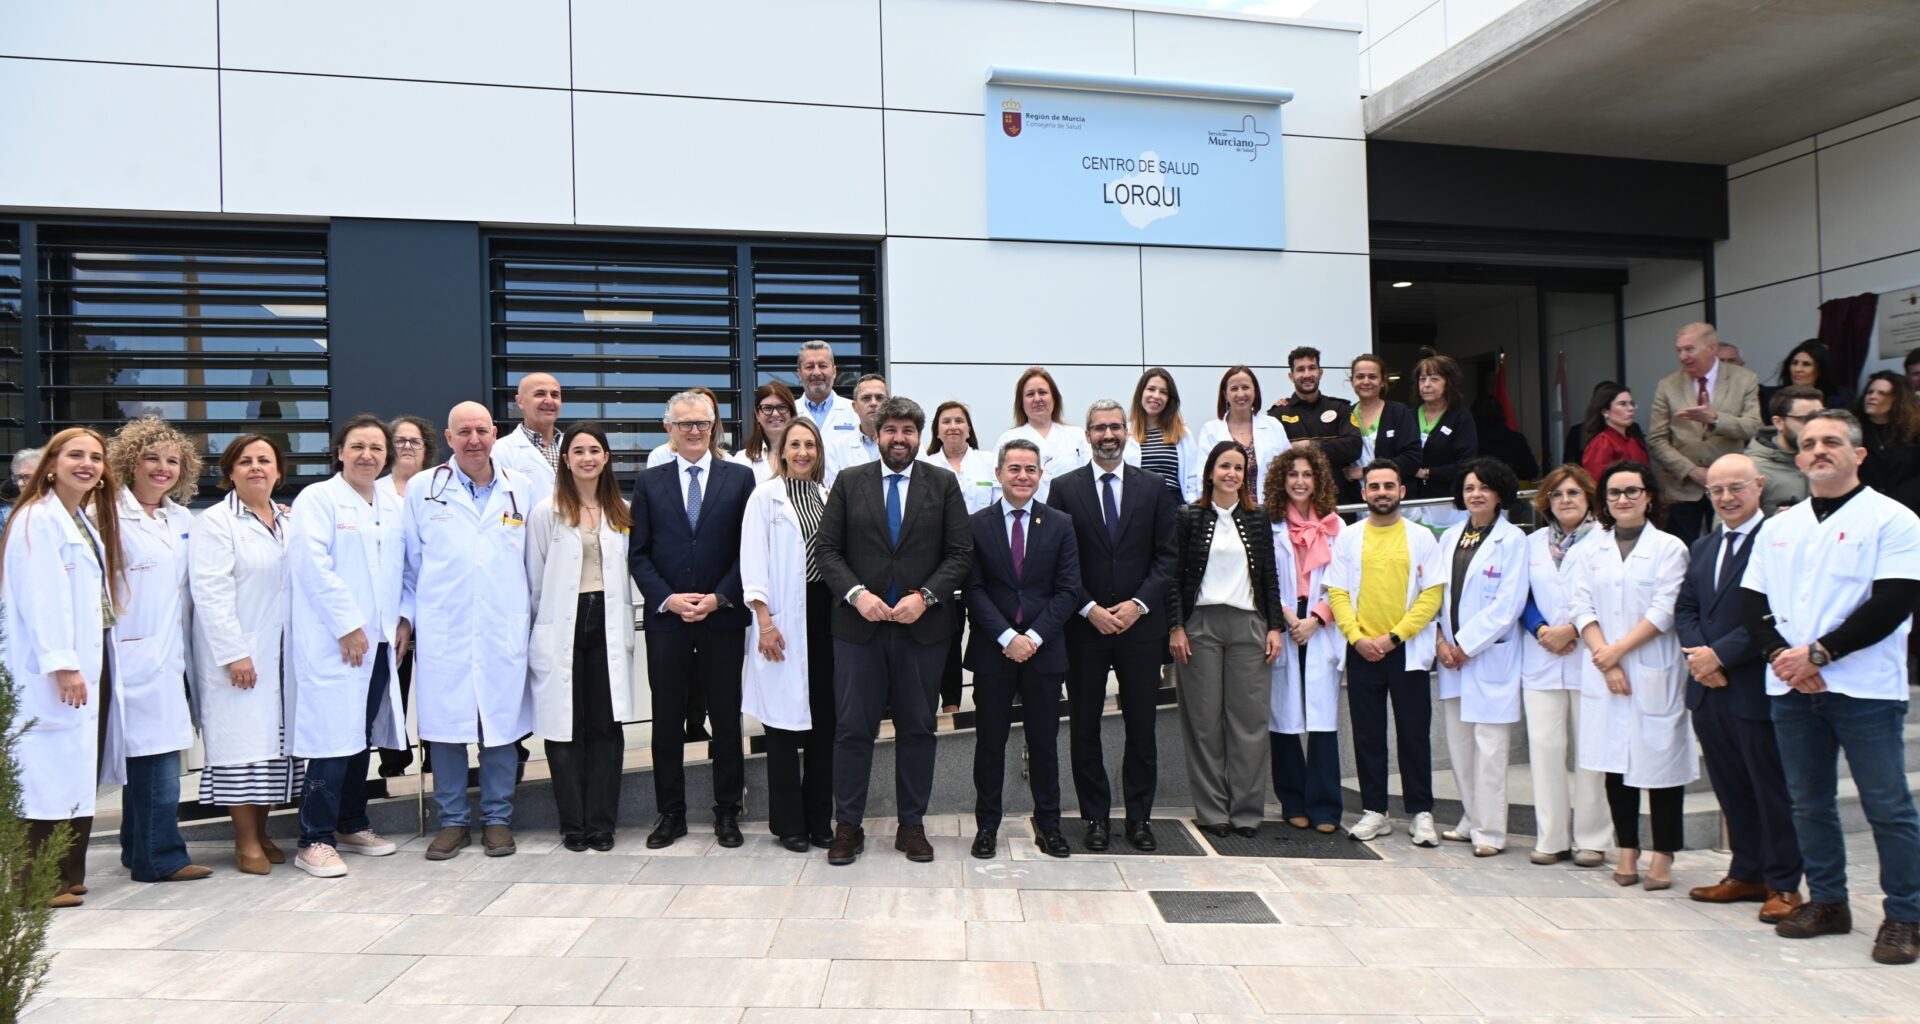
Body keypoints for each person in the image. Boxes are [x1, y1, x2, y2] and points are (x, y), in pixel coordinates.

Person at [1742, 410, 1920, 964]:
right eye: (1810, 443)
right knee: (1808, 803)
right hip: (1793, 690)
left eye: (1833, 442)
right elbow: (1753, 603)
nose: (1820, 450)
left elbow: (1891, 603)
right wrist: (1782, 657)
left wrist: (1819, 653)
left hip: (1864, 690)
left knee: (1888, 807)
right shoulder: (1779, 526)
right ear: (1797, 459)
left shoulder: (1893, 520)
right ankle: (1829, 902)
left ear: (1858, 454)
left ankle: (1906, 916)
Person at [816, 397, 972, 865]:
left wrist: (923, 597)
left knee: (918, 729)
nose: (899, 439)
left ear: (919, 437)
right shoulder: (848, 482)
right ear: (877, 434)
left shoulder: (942, 484)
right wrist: (857, 595)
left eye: (908, 431)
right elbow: (827, 551)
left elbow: (960, 554)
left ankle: (912, 825)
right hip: (857, 629)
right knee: (852, 731)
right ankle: (848, 826)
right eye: (891, 431)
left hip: (921, 631)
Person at [402, 401, 537, 861]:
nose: (474, 439)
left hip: (503, 627)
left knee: (499, 728)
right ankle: (453, 822)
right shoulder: (424, 489)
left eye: (481, 430)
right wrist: (409, 617)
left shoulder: (522, 489)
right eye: (464, 432)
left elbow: (533, 563)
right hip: (446, 627)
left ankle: (498, 819)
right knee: (445, 731)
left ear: (495, 433)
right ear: (449, 436)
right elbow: (409, 565)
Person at [1675, 453, 1803, 923]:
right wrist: (1699, 656)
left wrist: (1720, 655)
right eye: (1717, 490)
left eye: (1736, 488)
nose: (1726, 498)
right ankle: (1746, 872)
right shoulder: (1704, 547)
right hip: (1709, 688)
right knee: (1730, 785)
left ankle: (1785, 883)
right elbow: (1685, 609)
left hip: (1754, 684)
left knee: (1769, 787)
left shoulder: (1779, 542)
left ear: (1760, 485)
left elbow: (1775, 614)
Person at [3, 428, 127, 906]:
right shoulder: (37, 519)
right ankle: (35, 882)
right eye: (76, 455)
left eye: (96, 458)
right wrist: (62, 663)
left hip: (85, 659)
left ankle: (66, 874)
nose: (88, 464)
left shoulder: (80, 521)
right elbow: (41, 598)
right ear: (51, 465)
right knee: (43, 770)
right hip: (55, 668)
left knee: (74, 769)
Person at [628, 390, 756, 850]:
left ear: (713, 426)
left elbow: (749, 551)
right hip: (669, 622)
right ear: (669, 429)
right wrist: (668, 599)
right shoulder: (650, 481)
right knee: (666, 722)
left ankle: (726, 812)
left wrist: (721, 597)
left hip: (722, 620)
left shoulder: (740, 479)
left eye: (701, 423)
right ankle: (671, 814)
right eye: (684, 424)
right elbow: (638, 555)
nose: (694, 431)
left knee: (726, 719)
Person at [1050, 400, 1178, 852]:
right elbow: (1058, 560)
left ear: (1127, 432)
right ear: (1086, 435)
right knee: (1085, 726)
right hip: (1085, 628)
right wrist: (1088, 608)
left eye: (1115, 427)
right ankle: (1096, 819)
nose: (1108, 435)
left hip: (1140, 627)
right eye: (1099, 428)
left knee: (1141, 727)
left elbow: (1167, 556)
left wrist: (1139, 604)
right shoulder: (1064, 489)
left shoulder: (1154, 487)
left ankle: (1139, 819)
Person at [286, 414, 408, 877]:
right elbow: (312, 566)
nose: (367, 455)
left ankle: (351, 824)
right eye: (358, 446)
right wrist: (347, 624)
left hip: (378, 642)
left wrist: (403, 619)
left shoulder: (391, 505)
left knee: (360, 740)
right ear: (339, 452)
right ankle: (312, 839)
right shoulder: (318, 499)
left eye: (377, 448)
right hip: (335, 643)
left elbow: (405, 570)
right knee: (332, 741)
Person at [1568, 460, 1695, 891]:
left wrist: (1616, 654)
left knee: (1661, 768)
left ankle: (1663, 854)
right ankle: (1627, 849)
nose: (1623, 500)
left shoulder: (1670, 548)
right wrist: (1605, 656)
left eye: (1632, 491)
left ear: (1649, 496)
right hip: (1605, 668)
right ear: (1604, 502)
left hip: (1650, 667)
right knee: (1614, 766)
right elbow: (1580, 606)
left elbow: (1664, 609)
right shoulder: (1590, 548)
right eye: (1614, 494)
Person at [964, 438, 1082, 859]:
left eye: (1030, 469)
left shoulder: (1060, 524)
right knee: (989, 744)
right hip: (993, 652)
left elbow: (1068, 591)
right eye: (1014, 468)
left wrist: (1031, 638)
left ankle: (1049, 825)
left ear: (1040, 474)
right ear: (998, 474)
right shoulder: (977, 524)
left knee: (1046, 744)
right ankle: (986, 827)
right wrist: (1006, 637)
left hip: (1043, 652)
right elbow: (973, 590)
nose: (1022, 476)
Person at [101, 419, 207, 885]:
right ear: (129, 462)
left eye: (172, 461)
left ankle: (135, 849)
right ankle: (160, 857)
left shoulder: (181, 519)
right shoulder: (105, 513)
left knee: (153, 757)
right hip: (131, 653)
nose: (162, 468)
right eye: (152, 457)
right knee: (157, 761)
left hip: (171, 656)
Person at [188, 435, 299, 874]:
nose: (256, 467)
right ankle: (245, 841)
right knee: (241, 749)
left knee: (271, 750)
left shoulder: (289, 520)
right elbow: (210, 592)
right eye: (246, 461)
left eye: (265, 461)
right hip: (240, 657)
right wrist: (235, 653)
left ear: (278, 472)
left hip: (282, 657)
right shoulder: (215, 523)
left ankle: (265, 832)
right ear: (230, 471)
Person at [528, 423, 638, 853]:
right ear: (566, 459)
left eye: (595, 450)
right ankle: (573, 824)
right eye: (578, 451)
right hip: (563, 625)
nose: (587, 457)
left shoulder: (622, 511)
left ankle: (602, 824)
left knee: (606, 727)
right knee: (564, 727)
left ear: (606, 458)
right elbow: (535, 578)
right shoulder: (546, 511)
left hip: (607, 622)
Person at [1167, 441, 1285, 839]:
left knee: (1249, 721)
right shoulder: (1188, 516)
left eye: (1238, 467)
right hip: (1199, 625)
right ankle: (1212, 809)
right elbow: (1174, 576)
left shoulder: (1258, 518)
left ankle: (1247, 810)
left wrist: (1274, 627)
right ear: (1210, 471)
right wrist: (1176, 626)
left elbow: (1269, 574)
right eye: (1224, 466)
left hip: (1249, 625)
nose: (1231, 473)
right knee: (1203, 722)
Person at [1325, 459, 1444, 845]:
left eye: (1388, 486)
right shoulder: (1349, 537)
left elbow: (1432, 596)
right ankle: (1375, 811)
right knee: (1368, 734)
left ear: (1401, 492)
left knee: (1414, 733)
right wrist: (1357, 638)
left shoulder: (1421, 537)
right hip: (1362, 651)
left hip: (1405, 649)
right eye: (1374, 487)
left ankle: (1421, 812)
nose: (1381, 493)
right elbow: (1338, 593)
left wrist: (1394, 638)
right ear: (1364, 493)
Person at [741, 416, 836, 852]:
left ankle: (819, 820)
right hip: (780, 620)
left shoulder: (827, 495)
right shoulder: (764, 498)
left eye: (809, 446)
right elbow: (753, 561)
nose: (802, 452)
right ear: (781, 453)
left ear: (818, 453)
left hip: (824, 618)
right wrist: (764, 620)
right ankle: (789, 823)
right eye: (794, 445)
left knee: (824, 724)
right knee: (781, 728)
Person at [1433, 458, 1529, 857]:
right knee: (1459, 745)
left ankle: (1490, 831)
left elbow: (1509, 605)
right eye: (1470, 487)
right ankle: (1471, 817)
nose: (1476, 494)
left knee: (1489, 749)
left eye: (1484, 488)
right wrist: (1440, 641)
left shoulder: (1514, 540)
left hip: (1487, 656)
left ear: (1499, 493)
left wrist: (1465, 645)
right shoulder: (1450, 536)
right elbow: (1434, 594)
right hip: (1451, 656)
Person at [1520, 465, 1611, 867]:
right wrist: (1541, 629)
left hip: (1588, 657)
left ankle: (1591, 838)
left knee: (1591, 752)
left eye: (1573, 493)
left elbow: (1609, 599)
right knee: (1544, 750)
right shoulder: (1533, 542)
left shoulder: (1607, 541)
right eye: (1557, 495)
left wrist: (1572, 630)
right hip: (1541, 657)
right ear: (1546, 502)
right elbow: (1519, 596)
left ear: (1589, 497)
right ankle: (1551, 836)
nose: (1566, 501)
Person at [1263, 446, 1344, 834]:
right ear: (1282, 480)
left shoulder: (1335, 526)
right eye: (1292, 474)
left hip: (1322, 626)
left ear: (1318, 481)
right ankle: (1292, 800)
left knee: (1323, 718)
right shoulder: (1269, 524)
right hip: (1284, 621)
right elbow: (1261, 576)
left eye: (1307, 475)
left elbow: (1346, 582)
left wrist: (1316, 618)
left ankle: (1326, 807)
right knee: (1285, 716)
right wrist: (1289, 617)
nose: (1299, 481)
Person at [1647, 322, 1762, 543]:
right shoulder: (1667, 385)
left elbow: (1752, 426)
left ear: (1711, 348)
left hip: (1730, 487)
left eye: (1689, 349)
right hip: (1681, 488)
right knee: (1681, 553)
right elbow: (1656, 440)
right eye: (1679, 350)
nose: (1682, 356)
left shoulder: (1744, 379)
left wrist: (1715, 419)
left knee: (1728, 548)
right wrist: (1691, 471)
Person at [922, 400, 999, 713]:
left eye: (959, 420)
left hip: (985, 561)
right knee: (947, 633)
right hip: (942, 563)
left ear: (969, 428)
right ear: (937, 431)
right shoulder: (924, 467)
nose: (953, 426)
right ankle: (951, 701)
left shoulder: (989, 462)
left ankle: (988, 698)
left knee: (985, 628)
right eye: (946, 421)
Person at [376, 414, 436, 778]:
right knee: (392, 686)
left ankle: (435, 755)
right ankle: (393, 760)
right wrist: (401, 614)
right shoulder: (374, 493)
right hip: (390, 609)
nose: (407, 447)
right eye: (399, 441)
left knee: (435, 687)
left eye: (415, 441)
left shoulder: (437, 489)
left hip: (433, 605)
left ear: (426, 448)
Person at [1196, 365, 1289, 505]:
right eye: (1234, 389)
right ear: (1225, 394)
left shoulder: (1273, 426)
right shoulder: (1210, 430)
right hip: (1225, 514)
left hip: (1270, 515)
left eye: (1245, 387)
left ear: (1255, 391)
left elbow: (1289, 469)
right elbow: (1202, 478)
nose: (1240, 394)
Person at [1267, 345, 1363, 479]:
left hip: (1337, 496)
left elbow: (1354, 447)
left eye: (1312, 368)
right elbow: (1273, 457)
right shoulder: (1277, 415)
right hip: (1295, 494)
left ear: (1320, 372)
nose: (1307, 375)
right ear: (1291, 376)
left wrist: (1308, 445)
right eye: (1300, 369)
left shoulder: (1340, 408)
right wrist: (1331, 448)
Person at [995, 367, 1088, 503]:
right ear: (1021, 402)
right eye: (1030, 394)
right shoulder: (1008, 439)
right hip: (1025, 517)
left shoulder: (1077, 435)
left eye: (1043, 392)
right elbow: (998, 487)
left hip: (1072, 515)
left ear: (1054, 398)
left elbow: (1089, 480)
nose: (1037, 399)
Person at [1340, 355, 1422, 505]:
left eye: (1372, 376)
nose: (1366, 381)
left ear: (1383, 381)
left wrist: (1365, 472)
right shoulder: (1345, 415)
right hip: (1358, 504)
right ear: (1352, 381)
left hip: (1396, 503)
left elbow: (1412, 459)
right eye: (1360, 376)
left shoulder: (1398, 412)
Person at [1411, 353, 1479, 506]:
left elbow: (1466, 463)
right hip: (1412, 501)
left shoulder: (1460, 417)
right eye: (1422, 379)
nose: (1426, 384)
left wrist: (1428, 473)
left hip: (1448, 500)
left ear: (1449, 383)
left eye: (1434, 379)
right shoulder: (1409, 415)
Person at [1745, 386, 1823, 515]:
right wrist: (1774, 522)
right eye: (1805, 419)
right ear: (1779, 422)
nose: (1816, 425)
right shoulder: (1752, 469)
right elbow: (1729, 530)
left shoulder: (1828, 461)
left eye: (1820, 417)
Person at [1130, 367, 1203, 502]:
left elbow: (1193, 478)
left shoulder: (1182, 433)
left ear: (1169, 399)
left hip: (1172, 505)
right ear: (1141, 393)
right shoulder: (1127, 433)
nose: (1156, 396)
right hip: (1138, 504)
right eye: (1151, 389)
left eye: (1163, 392)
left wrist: (1193, 507)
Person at [1856, 370, 1920, 518]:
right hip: (1865, 510)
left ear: (1897, 399)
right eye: (1870, 392)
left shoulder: (1914, 431)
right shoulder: (1853, 430)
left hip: (1909, 510)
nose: (1872, 397)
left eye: (1882, 393)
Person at [494, 371, 564, 506]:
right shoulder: (501, 451)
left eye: (555, 395)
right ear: (520, 402)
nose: (549, 400)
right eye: (540, 394)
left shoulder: (574, 446)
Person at [824, 374, 887, 487]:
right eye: (866, 398)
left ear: (888, 404)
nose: (873, 403)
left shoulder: (906, 442)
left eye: (879, 398)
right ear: (854, 407)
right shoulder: (837, 448)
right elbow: (835, 492)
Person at [1579, 383, 1648, 485]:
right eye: (1623, 404)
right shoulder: (1602, 443)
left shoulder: (1634, 439)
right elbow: (1598, 485)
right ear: (1605, 411)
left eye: (1632, 403)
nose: (1631, 408)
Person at [648, 386, 732, 469]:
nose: (694, 431)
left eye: (709, 409)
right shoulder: (660, 455)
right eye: (686, 423)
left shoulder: (727, 460)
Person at [795, 338, 862, 437]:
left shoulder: (856, 412)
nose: (817, 373)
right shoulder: (789, 412)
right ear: (799, 374)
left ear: (834, 372)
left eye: (822, 366)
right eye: (810, 367)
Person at [733, 381, 796, 483]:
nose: (775, 414)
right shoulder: (741, 460)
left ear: (791, 413)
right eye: (767, 408)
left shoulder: (806, 455)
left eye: (782, 407)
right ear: (757, 415)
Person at [1762, 339, 1850, 410]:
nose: (1797, 369)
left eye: (1806, 364)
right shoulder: (1770, 396)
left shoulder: (1837, 401)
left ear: (1820, 370)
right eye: (1794, 363)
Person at [1472, 394, 1539, 481]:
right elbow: (1531, 471)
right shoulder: (1516, 439)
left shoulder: (1472, 440)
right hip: (1508, 488)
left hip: (1481, 487)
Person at [0, 446, 41, 532]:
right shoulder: (6, 515)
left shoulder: (60, 507)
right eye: (19, 477)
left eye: (27, 477)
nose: (20, 483)